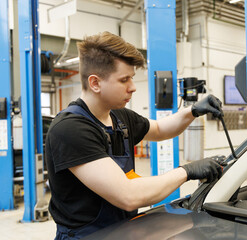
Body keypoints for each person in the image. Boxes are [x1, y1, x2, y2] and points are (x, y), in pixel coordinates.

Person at [45, 31, 225, 240]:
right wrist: (186, 171)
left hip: (123, 229)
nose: (132, 88)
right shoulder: (70, 129)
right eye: (124, 80)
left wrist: (192, 111)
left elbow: (159, 129)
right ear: (95, 83)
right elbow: (128, 195)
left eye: (132, 78)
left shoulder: (119, 116)